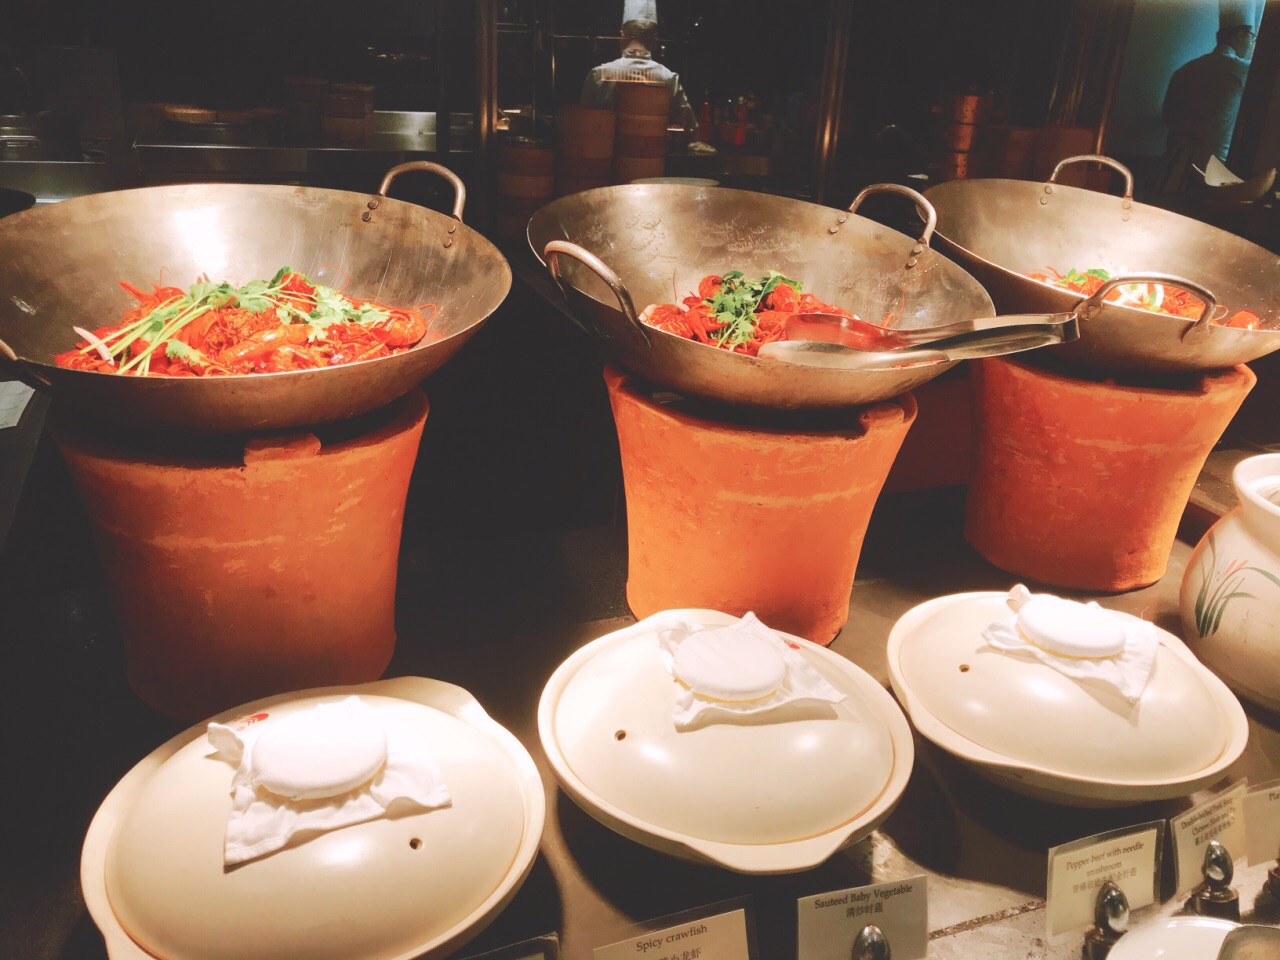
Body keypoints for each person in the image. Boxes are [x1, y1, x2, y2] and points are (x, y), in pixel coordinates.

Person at [1152, 15, 1257, 205]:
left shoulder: (1185, 69)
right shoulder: (1243, 70)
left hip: (1170, 166)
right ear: (1240, 35)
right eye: (1252, 37)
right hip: (1214, 169)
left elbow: (1167, 116)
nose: (1252, 43)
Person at [580, 10, 697, 131]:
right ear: (654, 42)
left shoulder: (598, 74)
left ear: (622, 36)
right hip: (654, 143)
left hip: (607, 143)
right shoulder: (669, 79)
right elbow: (689, 127)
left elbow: (582, 124)